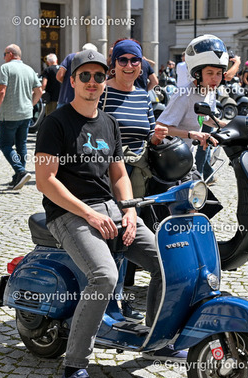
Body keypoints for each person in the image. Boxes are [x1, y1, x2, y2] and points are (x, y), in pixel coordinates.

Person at [35, 49, 182, 378]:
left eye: (99, 76)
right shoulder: (55, 123)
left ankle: (157, 339)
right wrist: (89, 214)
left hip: (112, 209)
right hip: (68, 212)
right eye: (84, 76)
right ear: (72, 81)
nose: (92, 82)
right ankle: (73, 371)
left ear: (105, 81)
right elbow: (45, 181)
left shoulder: (109, 123)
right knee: (104, 276)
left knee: (168, 262)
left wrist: (129, 211)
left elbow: (119, 176)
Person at [99, 38, 168, 319]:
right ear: (113, 64)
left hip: (136, 177)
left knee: (128, 236)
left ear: (141, 65)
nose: (129, 65)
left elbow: (149, 132)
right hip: (107, 175)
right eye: (123, 60)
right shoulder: (102, 93)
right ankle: (108, 301)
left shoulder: (142, 96)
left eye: (134, 60)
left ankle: (120, 298)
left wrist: (157, 136)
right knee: (112, 236)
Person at [156, 35, 228, 178]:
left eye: (219, 73)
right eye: (210, 73)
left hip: (187, 158)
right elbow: (161, 128)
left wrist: (228, 125)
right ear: (197, 74)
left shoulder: (209, 91)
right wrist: (192, 134)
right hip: (170, 160)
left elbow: (206, 118)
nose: (215, 78)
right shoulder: (184, 95)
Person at [0, 44, 42, 190]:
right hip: (26, 114)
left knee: (6, 145)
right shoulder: (29, 69)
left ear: (10, 54)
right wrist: (30, 104)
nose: (3, 57)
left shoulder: (5, 68)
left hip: (9, 114)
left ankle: (20, 171)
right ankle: (18, 177)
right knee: (21, 145)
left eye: (4, 54)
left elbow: (1, 91)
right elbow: (39, 91)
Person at [56, 42, 98, 108]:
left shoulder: (70, 57)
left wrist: (68, 84)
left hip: (66, 98)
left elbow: (59, 76)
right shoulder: (94, 62)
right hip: (84, 102)